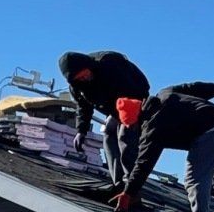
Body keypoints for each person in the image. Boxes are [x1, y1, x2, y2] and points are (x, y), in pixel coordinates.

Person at [112, 81, 214, 212]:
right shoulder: (166, 93)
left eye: (133, 126)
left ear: (137, 119)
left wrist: (128, 193)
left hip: (209, 131)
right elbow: (198, 88)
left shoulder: (152, 126)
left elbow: (144, 163)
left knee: (194, 179)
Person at [58, 50, 150, 184]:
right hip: (114, 109)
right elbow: (83, 108)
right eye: (79, 78)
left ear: (88, 66)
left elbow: (131, 89)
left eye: (84, 73)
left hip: (134, 101)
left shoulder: (109, 64)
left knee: (124, 135)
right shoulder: (78, 87)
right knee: (108, 133)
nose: (83, 78)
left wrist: (127, 117)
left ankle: (131, 182)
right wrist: (81, 131)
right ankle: (118, 181)